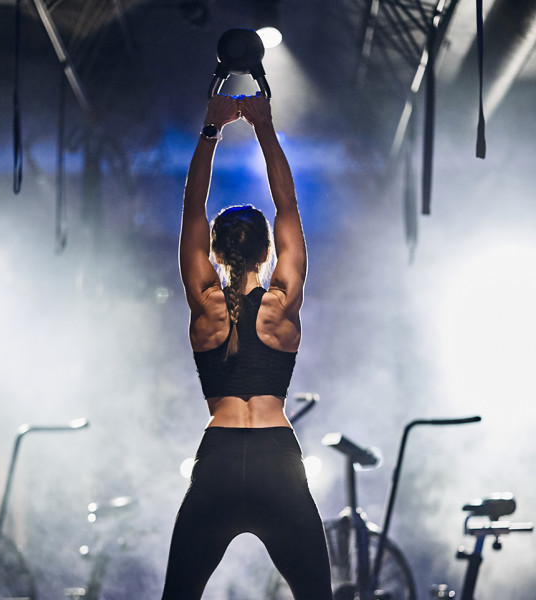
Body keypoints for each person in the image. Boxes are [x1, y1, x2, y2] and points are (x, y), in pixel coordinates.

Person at [160, 92, 332, 600]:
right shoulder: (282, 303)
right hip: (277, 461)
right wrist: (264, 127)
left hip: (218, 460)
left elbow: (192, 206)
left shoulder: (205, 302)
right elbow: (288, 206)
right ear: (268, 251)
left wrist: (211, 129)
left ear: (215, 252)